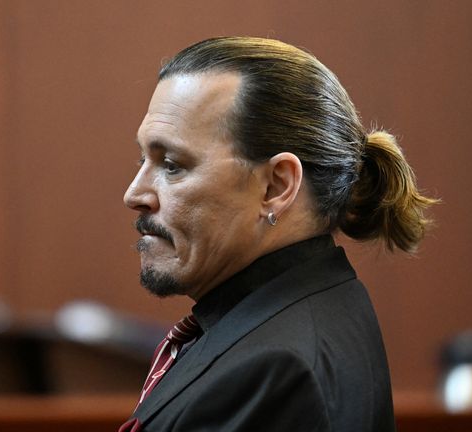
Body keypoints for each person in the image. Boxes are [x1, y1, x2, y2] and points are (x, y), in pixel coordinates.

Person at [120, 37, 437, 431]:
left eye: (171, 165)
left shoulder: (273, 369)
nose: (134, 194)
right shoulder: (307, 307)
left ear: (275, 187)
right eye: (143, 159)